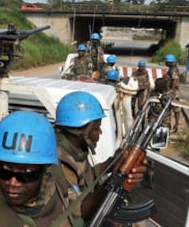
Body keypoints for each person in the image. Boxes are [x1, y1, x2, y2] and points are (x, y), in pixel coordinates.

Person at [0, 111, 83, 226]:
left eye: (26, 174)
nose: (12, 183)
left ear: (45, 172)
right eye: (4, 171)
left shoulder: (55, 186)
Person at [54, 91, 147, 223]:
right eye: (96, 128)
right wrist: (115, 178)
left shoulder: (76, 150)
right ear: (81, 132)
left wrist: (113, 163)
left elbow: (88, 176)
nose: (100, 132)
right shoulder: (58, 160)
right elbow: (79, 210)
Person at [162, 54, 181, 132]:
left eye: (166, 62)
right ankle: (169, 125)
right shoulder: (171, 68)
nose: (165, 63)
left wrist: (171, 91)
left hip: (173, 93)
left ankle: (176, 125)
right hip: (171, 92)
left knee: (176, 109)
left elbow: (175, 80)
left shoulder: (174, 70)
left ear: (170, 62)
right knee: (170, 109)